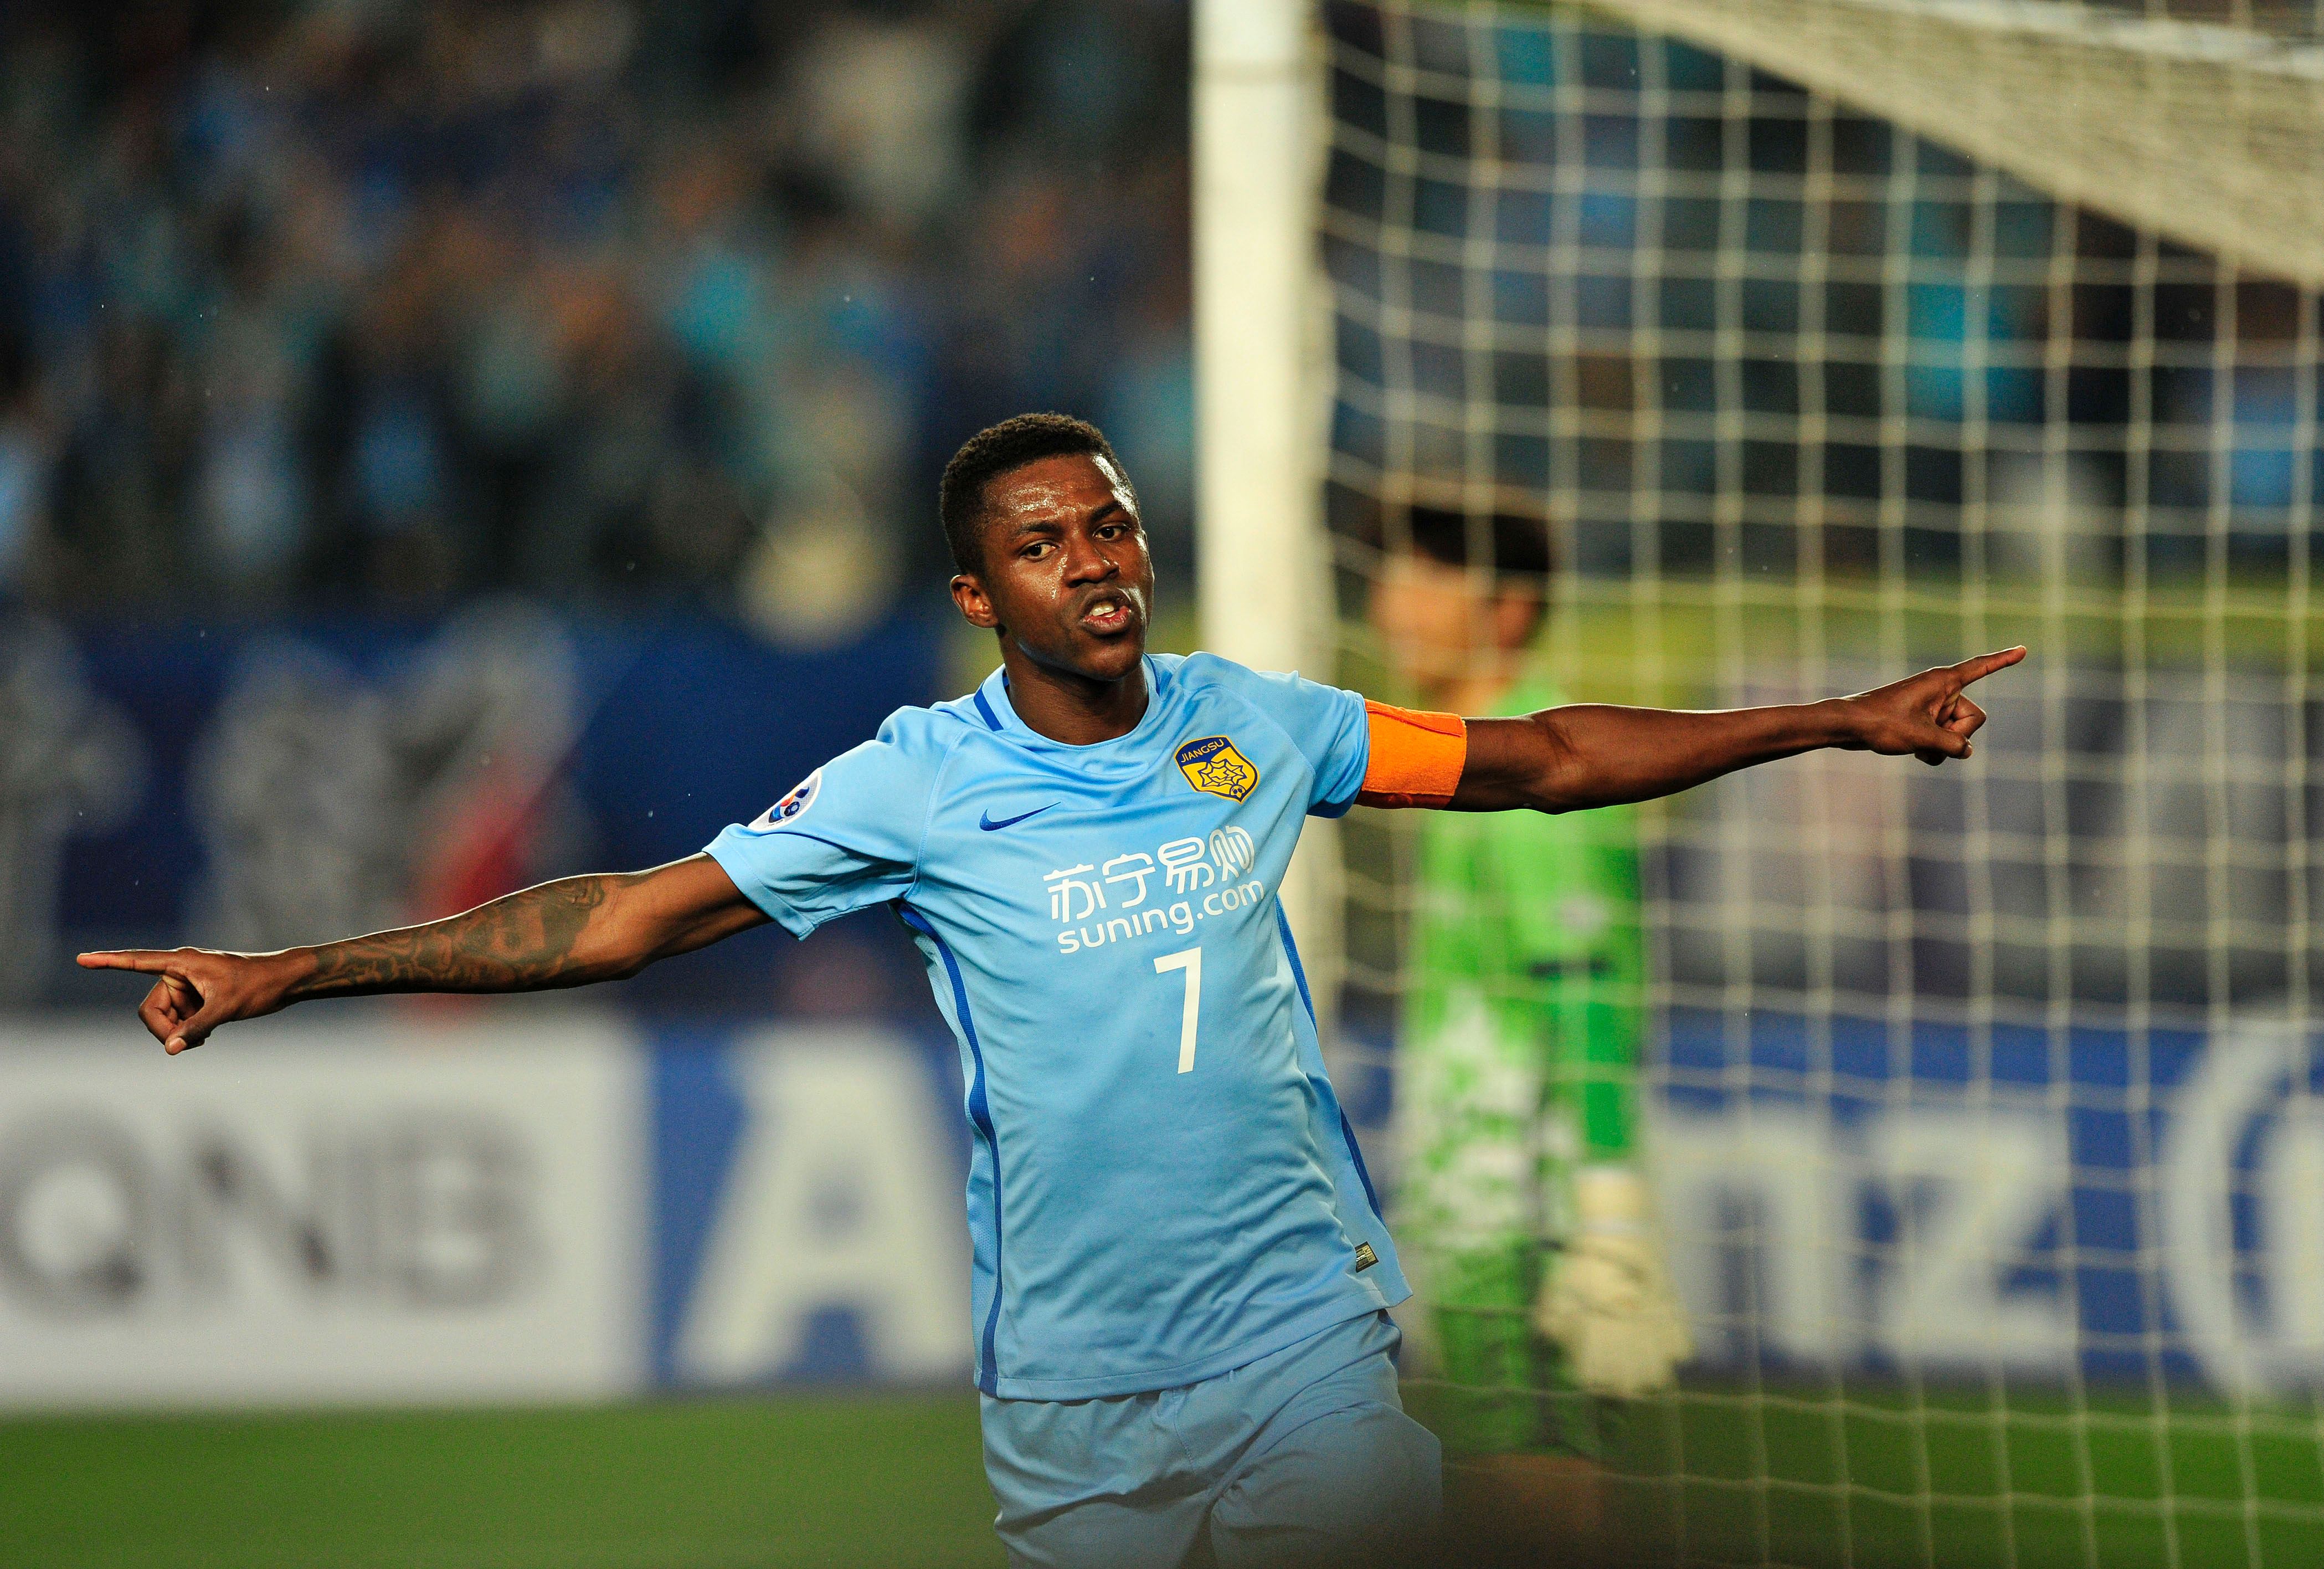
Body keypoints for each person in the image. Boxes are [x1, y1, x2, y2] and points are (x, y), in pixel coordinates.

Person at [81, 414, 2023, 1569]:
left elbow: (1541, 754)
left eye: (1105, 523)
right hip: (1072, 1389)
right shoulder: (910, 784)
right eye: (1042, 543)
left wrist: (1830, 721)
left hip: (1298, 1338)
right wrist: (288, 972)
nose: (1092, 559)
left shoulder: (1252, 724)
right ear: (975, 597)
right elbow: (606, 921)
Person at [1367, 500, 1682, 1529]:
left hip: (1527, 1210)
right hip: (1477, 1198)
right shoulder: (1464, 766)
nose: (1388, 607)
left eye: (1423, 582)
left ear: (1505, 614)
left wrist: (1609, 1216)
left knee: (1542, 1496)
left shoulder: (1543, 780)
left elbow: (1588, 997)